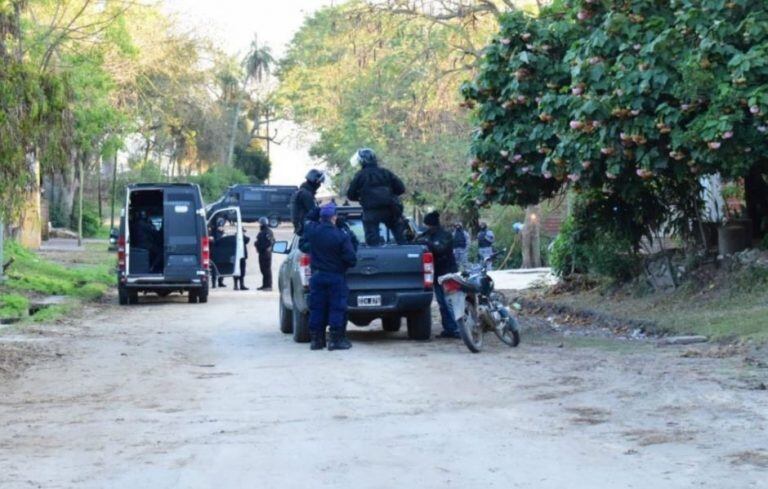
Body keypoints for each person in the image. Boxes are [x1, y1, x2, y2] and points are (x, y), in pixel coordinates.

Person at [303, 203, 358, 351]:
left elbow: (306, 222)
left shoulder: (313, 231)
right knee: (337, 308)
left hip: (317, 277)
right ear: (334, 217)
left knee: (317, 308)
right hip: (335, 277)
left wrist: (317, 210)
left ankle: (316, 341)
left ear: (321, 217)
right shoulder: (341, 235)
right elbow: (351, 259)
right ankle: (335, 340)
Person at [346, 148, 407, 246]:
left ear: (362, 161)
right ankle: (405, 250)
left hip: (371, 212)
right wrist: (390, 195)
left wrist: (362, 198)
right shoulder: (385, 172)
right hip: (390, 209)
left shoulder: (360, 175)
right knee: (400, 236)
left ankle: (374, 257)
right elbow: (401, 189)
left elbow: (350, 195)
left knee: (372, 241)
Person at [416, 211, 460, 339]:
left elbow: (439, 249)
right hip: (436, 274)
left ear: (433, 225)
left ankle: (458, 328)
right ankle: (449, 329)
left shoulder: (445, 235)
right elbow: (417, 241)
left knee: (450, 302)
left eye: (428, 225)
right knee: (442, 303)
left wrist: (427, 241)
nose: (427, 228)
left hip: (447, 273)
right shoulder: (427, 235)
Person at [291, 169, 325, 235]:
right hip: (305, 230)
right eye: (319, 182)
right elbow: (314, 212)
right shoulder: (306, 194)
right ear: (315, 182)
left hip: (303, 228)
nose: (319, 185)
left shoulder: (303, 192)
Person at [255, 217, 275, 291]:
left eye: (260, 223)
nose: (259, 225)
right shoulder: (262, 232)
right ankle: (264, 285)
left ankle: (268, 286)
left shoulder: (268, 232)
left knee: (266, 270)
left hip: (266, 253)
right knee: (263, 269)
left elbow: (272, 241)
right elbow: (258, 241)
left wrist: (269, 248)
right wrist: (257, 246)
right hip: (261, 252)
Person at [209, 217, 226, 288]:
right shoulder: (214, 232)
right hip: (214, 252)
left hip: (220, 253)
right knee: (214, 268)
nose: (221, 227)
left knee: (221, 267)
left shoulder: (221, 233)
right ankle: (214, 283)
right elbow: (213, 241)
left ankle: (220, 282)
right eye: (220, 225)